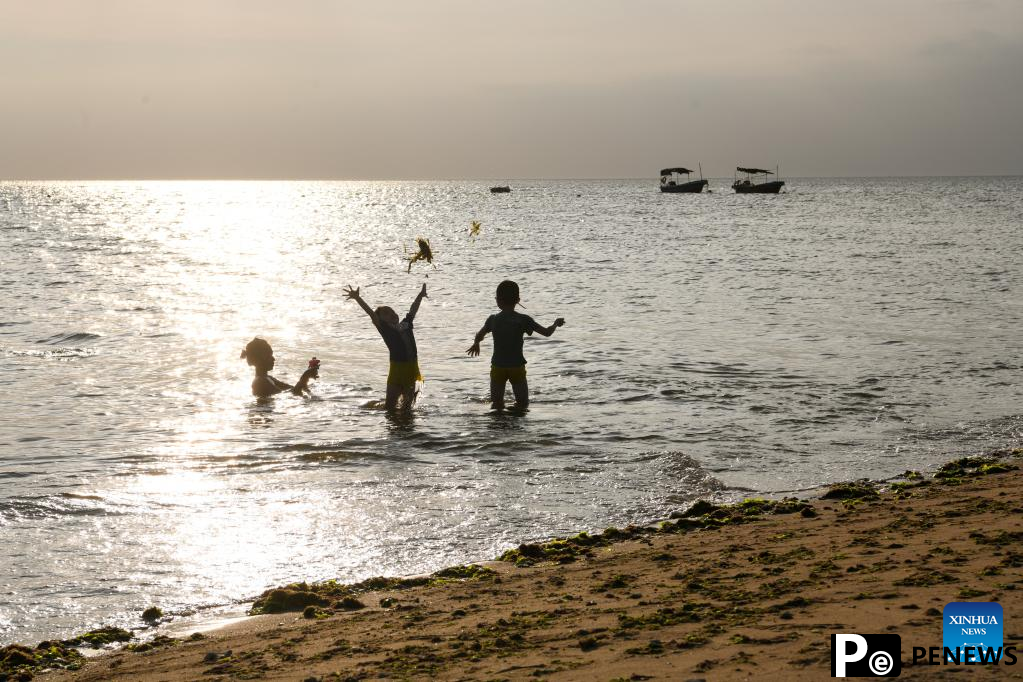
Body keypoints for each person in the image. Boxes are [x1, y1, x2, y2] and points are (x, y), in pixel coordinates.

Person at [466, 280, 564, 410]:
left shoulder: (493, 319)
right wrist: (555, 323)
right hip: (516, 367)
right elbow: (546, 333)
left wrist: (476, 343)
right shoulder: (523, 319)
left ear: (498, 300)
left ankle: (498, 425)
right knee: (522, 404)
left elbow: (480, 334)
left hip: (498, 367)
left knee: (497, 404)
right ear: (518, 300)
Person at [344, 283, 427, 411]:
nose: (391, 313)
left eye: (392, 311)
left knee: (407, 409)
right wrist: (358, 298)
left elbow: (413, 309)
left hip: (411, 369)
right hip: (396, 370)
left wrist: (420, 296)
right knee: (390, 407)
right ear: (380, 319)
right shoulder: (385, 329)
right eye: (386, 313)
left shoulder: (406, 324)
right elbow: (371, 313)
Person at [240, 337, 319, 398]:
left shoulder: (268, 378)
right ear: (259, 359)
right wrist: (305, 377)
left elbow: (291, 389)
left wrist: (306, 379)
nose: (273, 359)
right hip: (265, 413)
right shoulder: (261, 382)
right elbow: (290, 395)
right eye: (269, 356)